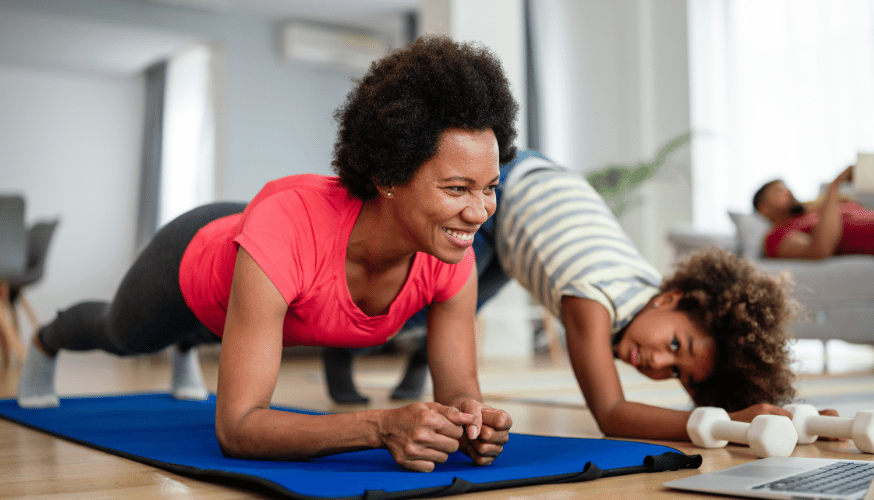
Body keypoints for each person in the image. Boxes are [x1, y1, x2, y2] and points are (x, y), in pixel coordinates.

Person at [16, 35, 519, 472]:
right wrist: (377, 426)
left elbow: (458, 389)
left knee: (221, 332)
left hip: (262, 270)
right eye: (457, 189)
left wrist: (472, 421)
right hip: (195, 258)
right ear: (388, 177)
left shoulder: (451, 251)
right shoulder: (289, 224)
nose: (479, 213)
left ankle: (188, 348)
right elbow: (237, 429)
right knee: (122, 335)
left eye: (489, 187)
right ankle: (47, 339)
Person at [328, 150, 828, 441]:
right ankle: (340, 342)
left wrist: (784, 412)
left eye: (675, 374)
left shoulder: (666, 307)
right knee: (411, 308)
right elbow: (611, 416)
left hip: (527, 228)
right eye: (675, 348)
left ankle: (421, 357)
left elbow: (713, 389)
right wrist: (728, 423)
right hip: (508, 186)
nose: (656, 365)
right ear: (670, 299)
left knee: (456, 310)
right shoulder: (593, 301)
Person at [753, 166, 874, 259]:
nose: (788, 191)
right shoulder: (775, 236)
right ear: (764, 208)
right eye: (778, 191)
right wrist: (834, 185)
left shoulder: (814, 211)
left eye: (786, 187)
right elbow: (819, 250)